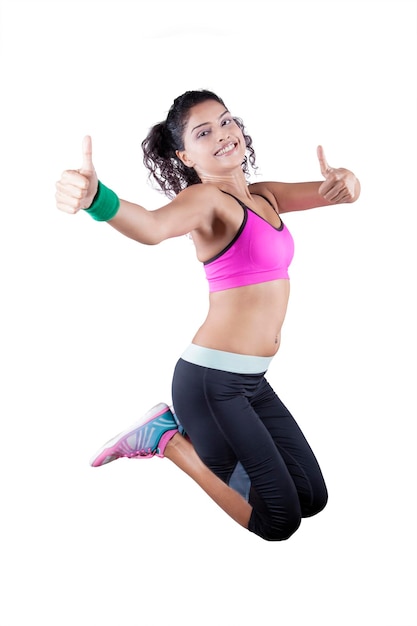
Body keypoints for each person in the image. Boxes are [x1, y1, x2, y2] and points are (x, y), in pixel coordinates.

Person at [55, 89, 360, 541]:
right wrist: (97, 197)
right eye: (204, 132)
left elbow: (337, 193)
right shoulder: (207, 202)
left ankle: (178, 436)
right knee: (280, 522)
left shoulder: (265, 196)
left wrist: (348, 180)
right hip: (212, 385)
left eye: (226, 121)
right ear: (184, 154)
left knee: (312, 499)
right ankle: (166, 439)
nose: (223, 134)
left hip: (251, 381)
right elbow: (152, 227)